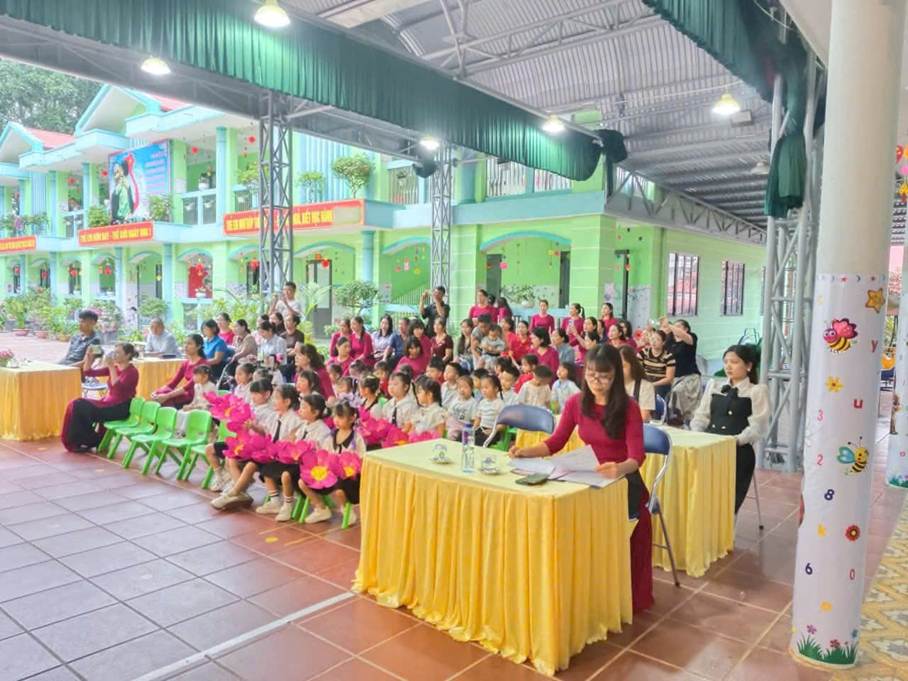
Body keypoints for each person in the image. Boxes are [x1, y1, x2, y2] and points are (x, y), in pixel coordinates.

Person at [510, 344, 653, 613]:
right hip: (588, 477)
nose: (596, 382)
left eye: (604, 376)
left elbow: (637, 457)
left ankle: (614, 595)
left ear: (616, 376)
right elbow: (556, 442)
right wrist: (525, 452)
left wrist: (619, 468)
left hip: (621, 482)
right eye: (590, 374)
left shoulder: (629, 408)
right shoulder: (577, 403)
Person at [691, 345, 769, 513]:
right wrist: (698, 435)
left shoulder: (756, 391)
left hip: (737, 451)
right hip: (709, 447)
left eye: (734, 362)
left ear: (748, 366)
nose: (728, 366)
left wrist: (735, 440)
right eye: (726, 362)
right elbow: (701, 415)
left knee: (726, 503)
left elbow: (758, 426)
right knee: (699, 496)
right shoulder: (714, 385)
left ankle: (725, 525)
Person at [61, 343, 139, 452]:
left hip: (120, 407)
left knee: (79, 405)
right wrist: (89, 357)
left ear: (128, 355)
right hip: (108, 403)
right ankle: (80, 440)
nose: (114, 355)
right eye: (114, 352)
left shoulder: (132, 372)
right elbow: (88, 372)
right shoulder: (115, 368)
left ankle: (90, 439)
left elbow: (117, 387)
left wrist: (111, 367)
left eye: (118, 353)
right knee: (75, 403)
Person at [211, 379, 275, 503]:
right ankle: (237, 488)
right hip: (246, 443)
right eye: (252, 393)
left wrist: (253, 427)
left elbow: (267, 434)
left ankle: (238, 490)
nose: (253, 396)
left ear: (267, 394)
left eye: (256, 393)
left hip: (258, 448)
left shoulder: (270, 413)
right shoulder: (251, 407)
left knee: (232, 459)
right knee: (226, 456)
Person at [303, 400, 365, 525]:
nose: (336, 420)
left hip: (349, 477)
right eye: (335, 416)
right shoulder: (331, 436)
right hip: (331, 473)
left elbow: (362, 459)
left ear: (352, 418)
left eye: (340, 417)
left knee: (339, 490)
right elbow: (324, 455)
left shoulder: (357, 438)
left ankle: (346, 510)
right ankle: (320, 508)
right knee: (303, 482)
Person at [151, 335, 206, 408]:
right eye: (185, 343)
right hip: (187, 393)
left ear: (198, 346)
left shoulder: (203, 364)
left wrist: (166, 396)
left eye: (189, 344)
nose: (185, 346)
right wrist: (157, 392)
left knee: (166, 398)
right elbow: (173, 383)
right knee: (160, 394)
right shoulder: (186, 363)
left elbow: (188, 386)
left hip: (196, 396)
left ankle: (170, 414)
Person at [664, 319, 700, 421]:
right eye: (675, 326)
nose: (675, 329)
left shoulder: (691, 337)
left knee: (678, 392)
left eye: (678, 326)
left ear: (686, 329)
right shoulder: (670, 341)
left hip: (689, 377)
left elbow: (684, 336)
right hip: (674, 377)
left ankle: (683, 419)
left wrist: (670, 325)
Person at [620, 345, 655, 422]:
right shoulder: (610, 385)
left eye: (623, 366)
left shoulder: (645, 386)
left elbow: (644, 417)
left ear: (632, 365)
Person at [639, 330, 676, 399]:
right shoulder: (643, 353)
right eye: (652, 339)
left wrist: (653, 384)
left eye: (657, 339)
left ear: (663, 342)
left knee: (657, 391)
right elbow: (637, 370)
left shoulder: (668, 357)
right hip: (646, 381)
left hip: (661, 384)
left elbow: (669, 378)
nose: (654, 341)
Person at [474, 374, 505, 446]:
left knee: (477, 441)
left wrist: (492, 431)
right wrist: (473, 429)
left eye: (486, 387)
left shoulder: (500, 404)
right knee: (464, 436)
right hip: (481, 429)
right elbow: (478, 418)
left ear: (496, 389)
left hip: (494, 432)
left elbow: (503, 424)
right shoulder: (482, 402)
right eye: (482, 388)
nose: (483, 390)